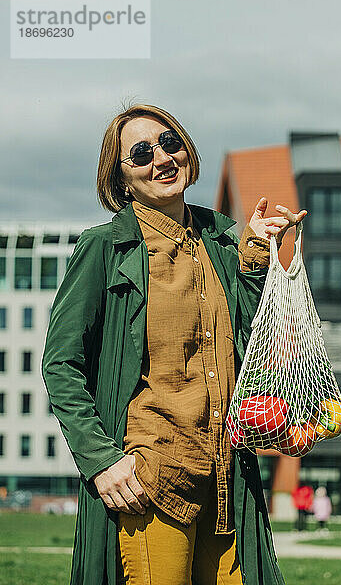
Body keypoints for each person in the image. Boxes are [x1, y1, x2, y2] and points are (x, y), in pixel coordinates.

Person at [41, 103, 308, 585]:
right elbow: (61, 365)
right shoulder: (105, 248)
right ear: (121, 179)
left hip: (227, 477)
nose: (160, 158)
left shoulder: (224, 237)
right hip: (151, 478)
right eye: (141, 152)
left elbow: (255, 345)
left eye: (170, 143)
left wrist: (253, 258)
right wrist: (101, 461)